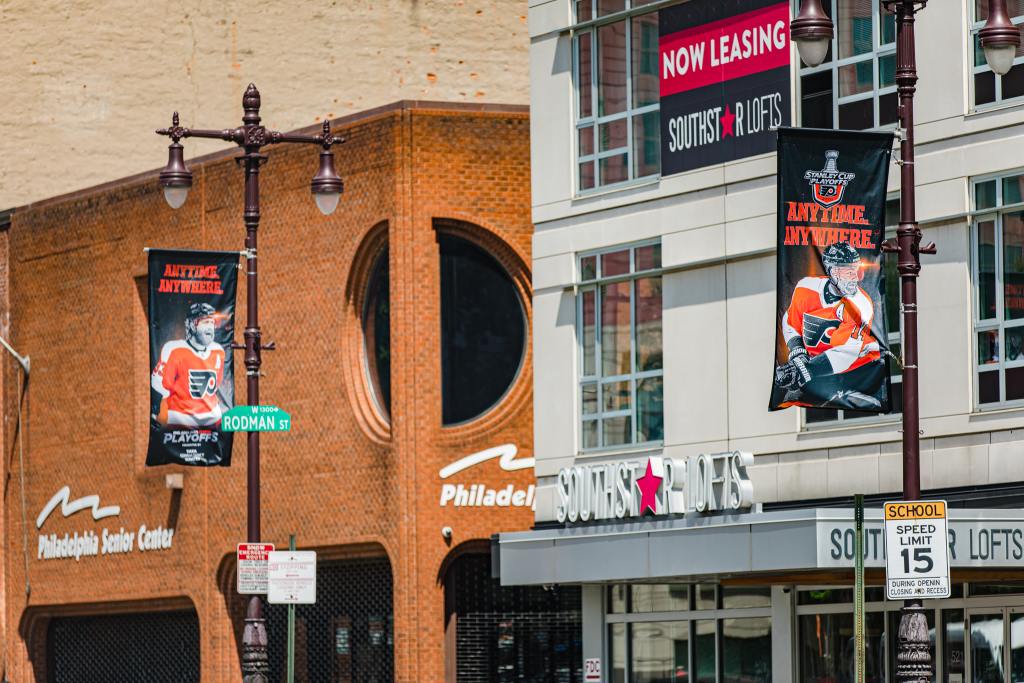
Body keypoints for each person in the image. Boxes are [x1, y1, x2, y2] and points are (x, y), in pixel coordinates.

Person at [775, 241, 887, 410]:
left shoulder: (861, 305)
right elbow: (790, 321)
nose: (855, 277)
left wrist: (804, 369)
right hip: (817, 370)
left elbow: (846, 353)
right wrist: (797, 351)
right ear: (832, 271)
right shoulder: (806, 287)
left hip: (855, 372)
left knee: (872, 405)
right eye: (849, 271)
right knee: (784, 396)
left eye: (856, 270)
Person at [151, 302, 226, 427]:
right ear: (192, 325)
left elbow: (218, 385)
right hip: (178, 420)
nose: (210, 327)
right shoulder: (174, 349)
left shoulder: (218, 351)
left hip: (212, 421)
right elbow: (158, 384)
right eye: (205, 322)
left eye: (212, 323)